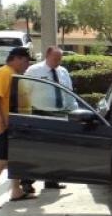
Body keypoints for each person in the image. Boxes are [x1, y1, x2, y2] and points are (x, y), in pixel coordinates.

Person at [0, 47, 32, 210]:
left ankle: (15, 191)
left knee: (13, 158)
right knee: (1, 159)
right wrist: (1, 121)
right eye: (25, 61)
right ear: (16, 58)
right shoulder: (4, 73)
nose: (27, 64)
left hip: (11, 124)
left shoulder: (12, 73)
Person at [19, 46, 74, 192]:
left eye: (60, 58)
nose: (58, 61)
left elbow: (69, 92)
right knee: (37, 149)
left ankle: (52, 180)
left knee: (56, 150)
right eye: (55, 58)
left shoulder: (63, 72)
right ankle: (27, 181)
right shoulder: (34, 71)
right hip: (40, 113)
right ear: (47, 55)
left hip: (60, 113)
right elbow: (24, 92)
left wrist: (73, 110)